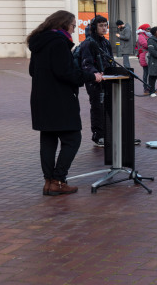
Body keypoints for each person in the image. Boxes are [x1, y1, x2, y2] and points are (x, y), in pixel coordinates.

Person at [28, 11, 102, 196]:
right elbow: (66, 73)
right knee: (72, 138)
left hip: (41, 99)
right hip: (59, 99)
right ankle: (58, 180)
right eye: (73, 25)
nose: (74, 28)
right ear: (63, 25)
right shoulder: (59, 42)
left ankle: (49, 182)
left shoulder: (39, 42)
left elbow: (32, 71)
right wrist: (91, 76)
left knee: (48, 139)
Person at [78, 15, 113, 146]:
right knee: (98, 107)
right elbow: (86, 63)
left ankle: (109, 132)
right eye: (101, 26)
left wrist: (112, 72)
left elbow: (110, 60)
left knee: (108, 106)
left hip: (107, 80)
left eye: (105, 25)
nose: (104, 28)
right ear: (94, 27)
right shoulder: (88, 43)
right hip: (94, 81)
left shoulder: (106, 42)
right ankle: (98, 135)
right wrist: (96, 74)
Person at [136, 23, 151, 95]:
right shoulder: (141, 36)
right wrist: (152, 45)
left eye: (150, 29)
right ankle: (145, 88)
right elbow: (145, 44)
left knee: (150, 72)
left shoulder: (147, 35)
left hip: (149, 55)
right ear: (144, 29)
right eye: (148, 29)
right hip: (144, 56)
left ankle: (150, 87)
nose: (149, 30)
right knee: (146, 72)